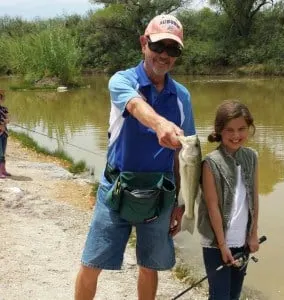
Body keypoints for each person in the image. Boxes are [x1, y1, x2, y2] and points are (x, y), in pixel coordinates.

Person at [75, 14, 196, 300]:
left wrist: (182, 203)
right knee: (91, 264)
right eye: (158, 46)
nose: (164, 55)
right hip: (115, 189)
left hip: (160, 193)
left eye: (173, 50)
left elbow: (187, 156)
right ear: (144, 43)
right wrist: (160, 125)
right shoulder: (122, 81)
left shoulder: (182, 97)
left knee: (149, 266)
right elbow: (134, 105)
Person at [197, 100, 259, 300]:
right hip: (217, 243)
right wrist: (223, 245)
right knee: (219, 296)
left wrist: (253, 234)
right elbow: (213, 206)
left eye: (241, 129)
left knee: (234, 295)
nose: (236, 135)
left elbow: (254, 199)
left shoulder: (252, 157)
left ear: (249, 128)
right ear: (219, 131)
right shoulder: (210, 163)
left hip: (243, 241)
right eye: (229, 130)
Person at [0, 89, 11, 179]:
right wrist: (2, 123)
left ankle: (3, 170)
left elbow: (8, 119)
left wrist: (3, 122)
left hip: (4, 133)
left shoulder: (4, 109)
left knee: (3, 153)